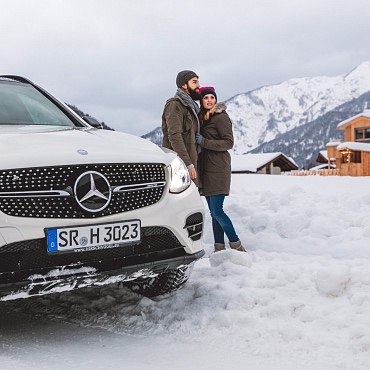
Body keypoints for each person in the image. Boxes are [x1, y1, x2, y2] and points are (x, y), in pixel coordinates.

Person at [196, 86, 246, 253]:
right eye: (206, 97)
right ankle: (219, 248)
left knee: (217, 210)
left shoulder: (220, 117)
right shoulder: (202, 118)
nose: (209, 100)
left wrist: (204, 142)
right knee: (213, 212)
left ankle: (237, 245)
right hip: (206, 168)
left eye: (212, 97)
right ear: (201, 100)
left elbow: (228, 143)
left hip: (218, 167)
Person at [162, 70, 201, 187]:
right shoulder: (175, 105)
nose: (198, 85)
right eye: (194, 82)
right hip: (180, 165)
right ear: (184, 85)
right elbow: (174, 136)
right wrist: (187, 164)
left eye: (198, 81)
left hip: (191, 161)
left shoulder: (191, 107)